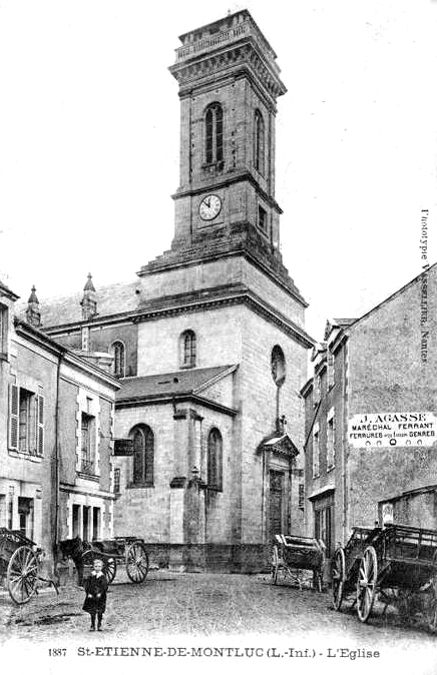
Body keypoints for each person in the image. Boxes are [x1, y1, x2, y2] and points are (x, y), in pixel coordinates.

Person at [82, 558, 108, 631]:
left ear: (101, 567)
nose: (97, 568)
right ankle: (92, 625)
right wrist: (88, 593)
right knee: (92, 612)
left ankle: (99, 624)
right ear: (93, 567)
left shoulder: (102, 576)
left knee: (100, 611)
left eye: (99, 566)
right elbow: (87, 585)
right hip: (92, 596)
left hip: (100, 597)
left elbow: (104, 587)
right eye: (96, 566)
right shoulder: (91, 576)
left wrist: (100, 593)